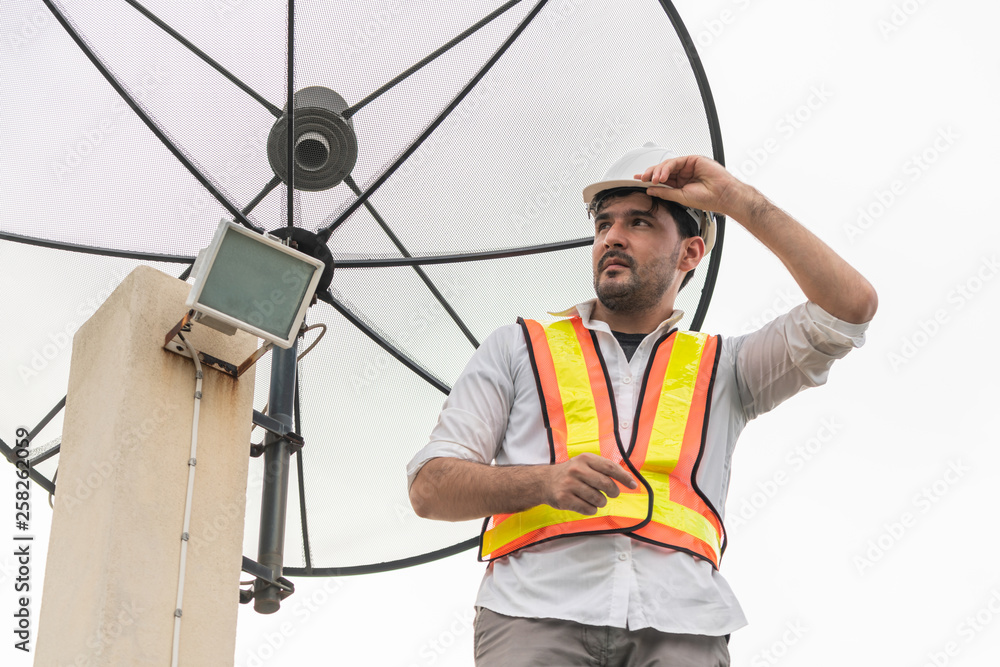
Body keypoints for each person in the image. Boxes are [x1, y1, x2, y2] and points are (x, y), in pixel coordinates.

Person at [406, 144, 877, 667]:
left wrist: (737, 200)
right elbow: (431, 487)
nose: (612, 236)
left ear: (691, 253)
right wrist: (544, 482)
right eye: (604, 223)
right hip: (534, 613)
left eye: (639, 223)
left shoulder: (728, 366)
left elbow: (849, 307)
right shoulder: (517, 346)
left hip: (684, 620)